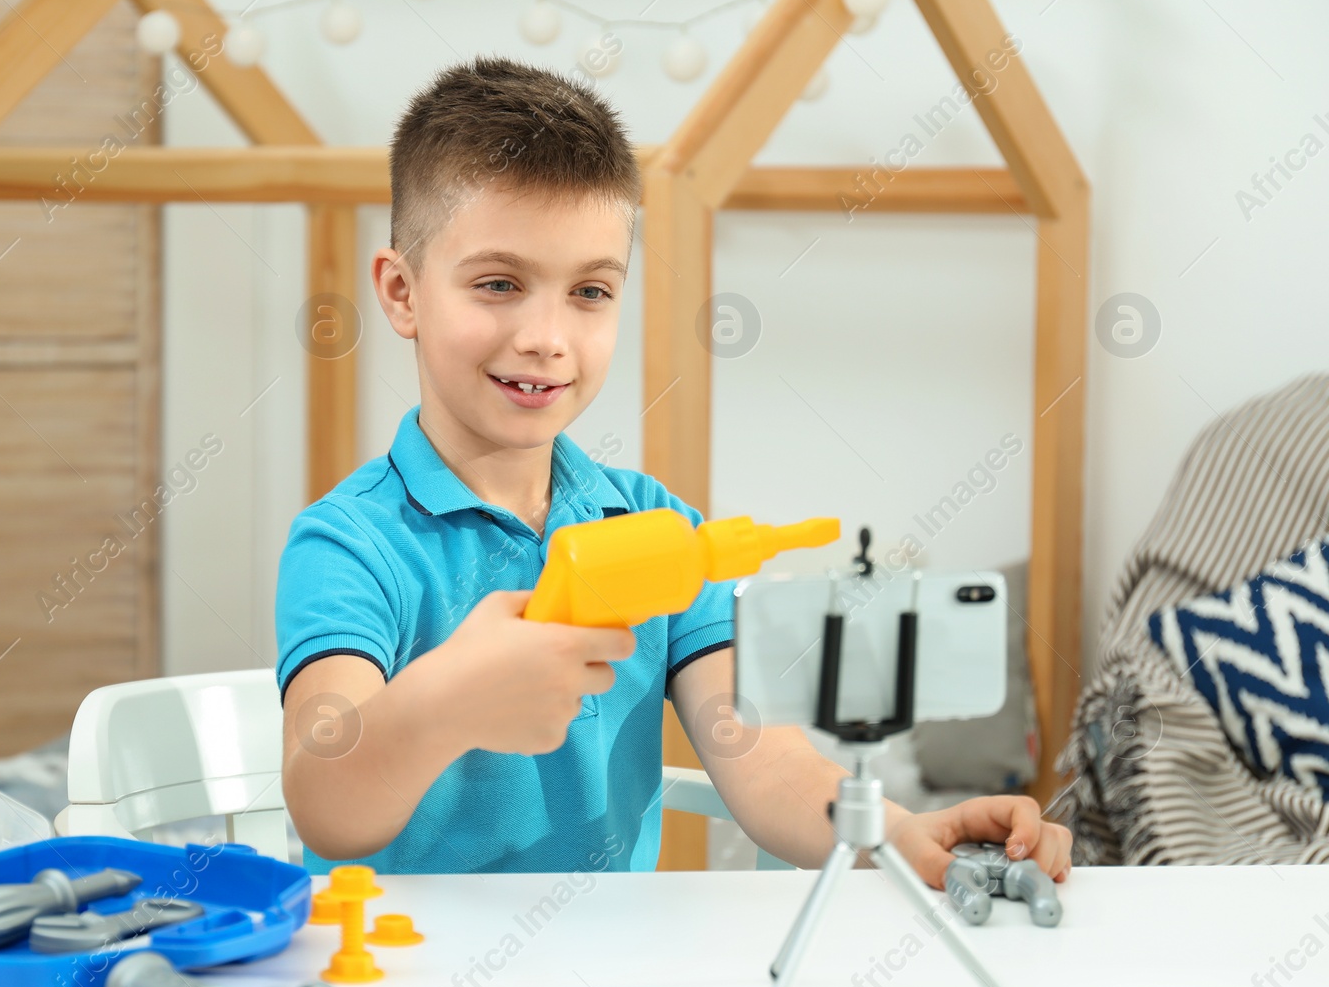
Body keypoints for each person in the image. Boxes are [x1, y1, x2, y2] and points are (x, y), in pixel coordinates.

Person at [275, 55, 1072, 884]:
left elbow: (767, 766)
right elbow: (327, 805)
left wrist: (900, 833)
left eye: (590, 292)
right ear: (401, 292)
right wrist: (442, 705)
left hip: (619, 980)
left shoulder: (656, 530)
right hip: (406, 980)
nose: (547, 335)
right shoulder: (350, 543)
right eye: (501, 283)